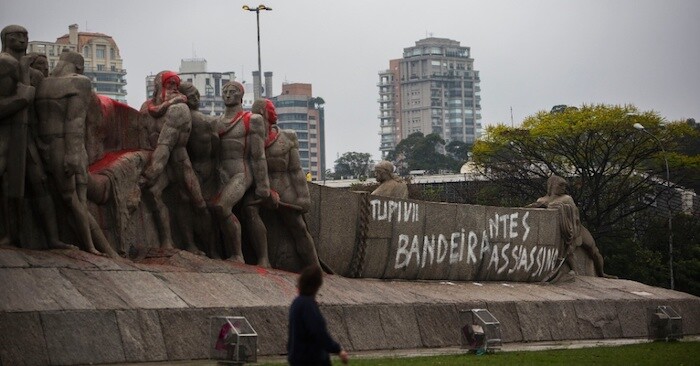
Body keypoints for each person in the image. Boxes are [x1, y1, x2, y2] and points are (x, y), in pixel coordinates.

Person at [243, 98, 321, 269]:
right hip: (259, 186)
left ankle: (314, 266)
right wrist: (264, 190)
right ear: (263, 112)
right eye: (272, 109)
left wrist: (303, 197)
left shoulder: (288, 137)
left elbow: (296, 170)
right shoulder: (250, 139)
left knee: (298, 226)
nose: (275, 112)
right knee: (249, 210)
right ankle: (263, 258)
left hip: (284, 186)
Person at [138, 71, 209, 252]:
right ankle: (167, 241)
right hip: (160, 162)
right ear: (158, 86)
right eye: (169, 85)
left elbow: (166, 144)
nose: (173, 89)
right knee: (154, 193)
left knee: (197, 203)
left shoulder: (179, 109)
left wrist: (151, 173)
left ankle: (211, 248)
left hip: (178, 161)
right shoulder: (145, 109)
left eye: (175, 86)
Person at [210, 81, 276, 262]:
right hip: (221, 174)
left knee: (222, 207)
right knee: (209, 209)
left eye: (232, 91)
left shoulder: (252, 120)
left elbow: (258, 155)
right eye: (225, 91)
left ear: (241, 95)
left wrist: (263, 186)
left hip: (242, 173)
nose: (228, 95)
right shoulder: (215, 123)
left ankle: (238, 255)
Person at [526, 175, 615, 278]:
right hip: (556, 231)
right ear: (552, 185)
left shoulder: (566, 199)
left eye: (564, 186)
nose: (563, 188)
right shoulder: (541, 200)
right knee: (568, 250)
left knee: (594, 251)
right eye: (561, 185)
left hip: (574, 228)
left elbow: (575, 214)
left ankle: (602, 272)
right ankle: (574, 270)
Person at [288, 265, 349, 366]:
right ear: (317, 285)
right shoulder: (308, 305)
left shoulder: (296, 303)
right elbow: (318, 332)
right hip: (312, 359)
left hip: (297, 358)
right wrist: (338, 350)